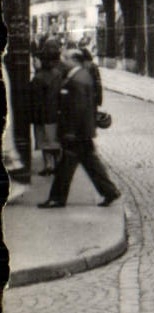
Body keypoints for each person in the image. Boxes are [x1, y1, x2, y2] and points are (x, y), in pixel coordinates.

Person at [39, 44, 120, 209]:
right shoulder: (79, 76)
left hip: (76, 133)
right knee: (89, 163)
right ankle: (110, 191)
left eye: (65, 58)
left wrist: (70, 132)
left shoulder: (78, 80)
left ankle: (57, 198)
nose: (62, 60)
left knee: (66, 166)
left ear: (74, 61)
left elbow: (78, 109)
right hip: (82, 132)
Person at [30, 37, 66, 177]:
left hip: (42, 115)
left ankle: (49, 166)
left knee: (44, 142)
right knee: (55, 141)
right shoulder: (59, 72)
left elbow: (34, 99)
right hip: (55, 113)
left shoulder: (38, 78)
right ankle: (57, 164)